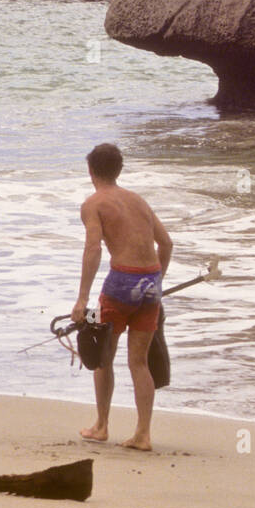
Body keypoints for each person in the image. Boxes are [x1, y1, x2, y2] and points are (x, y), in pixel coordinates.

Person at [71, 143, 173, 451]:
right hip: (150, 281)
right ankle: (143, 434)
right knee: (139, 362)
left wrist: (81, 300)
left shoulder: (94, 204)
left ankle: (101, 426)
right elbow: (166, 244)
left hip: (121, 282)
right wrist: (156, 282)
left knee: (103, 355)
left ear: (91, 172)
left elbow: (93, 249)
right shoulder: (137, 200)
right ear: (119, 169)